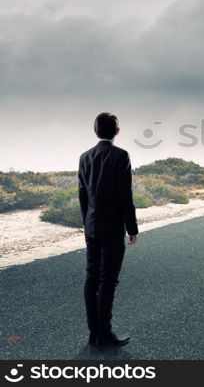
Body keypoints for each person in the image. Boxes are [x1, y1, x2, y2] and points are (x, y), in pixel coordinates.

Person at [78, 112, 139, 347]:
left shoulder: (84, 157)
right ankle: (105, 333)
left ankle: (94, 333)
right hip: (112, 228)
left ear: (96, 131)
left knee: (91, 277)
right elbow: (125, 195)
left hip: (91, 227)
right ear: (117, 131)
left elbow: (82, 194)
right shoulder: (120, 155)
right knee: (108, 280)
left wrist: (87, 223)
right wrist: (131, 228)